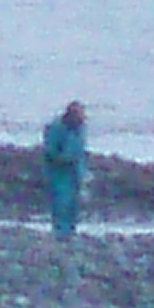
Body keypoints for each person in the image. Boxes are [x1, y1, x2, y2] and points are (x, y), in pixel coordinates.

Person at [41, 101, 88, 237]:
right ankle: (60, 232)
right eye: (78, 116)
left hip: (76, 171)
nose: (81, 120)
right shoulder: (57, 129)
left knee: (74, 203)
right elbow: (50, 151)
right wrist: (63, 159)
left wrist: (82, 170)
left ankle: (71, 231)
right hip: (59, 172)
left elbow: (81, 150)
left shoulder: (80, 129)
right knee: (61, 202)